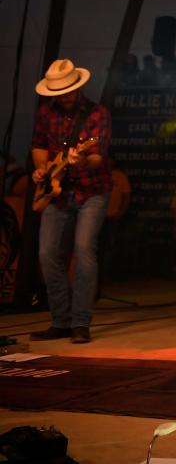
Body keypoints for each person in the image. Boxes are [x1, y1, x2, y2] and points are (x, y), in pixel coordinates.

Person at [30, 59, 112, 344]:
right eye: (59, 92)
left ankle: (80, 323)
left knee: (84, 249)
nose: (63, 96)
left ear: (78, 88)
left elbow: (98, 156)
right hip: (56, 191)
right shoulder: (45, 113)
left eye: (67, 91)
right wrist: (42, 169)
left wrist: (82, 160)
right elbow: (39, 146)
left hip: (92, 191)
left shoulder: (97, 114)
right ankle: (60, 321)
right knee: (47, 254)